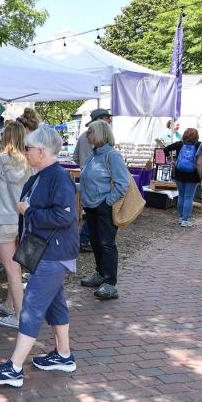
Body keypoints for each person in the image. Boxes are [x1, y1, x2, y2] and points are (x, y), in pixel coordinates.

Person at [0, 127, 79, 387]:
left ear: (41, 151)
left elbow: (64, 216)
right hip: (48, 251)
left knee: (31, 308)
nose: (24, 151)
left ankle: (14, 368)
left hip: (53, 253)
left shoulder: (57, 177)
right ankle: (64, 355)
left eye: (28, 147)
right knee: (55, 304)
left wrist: (30, 211)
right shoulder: (42, 175)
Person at [0, 121, 30, 328]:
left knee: (10, 268)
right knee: (15, 266)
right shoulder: (30, 163)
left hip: (2, 220)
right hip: (23, 220)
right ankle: (10, 305)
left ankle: (19, 316)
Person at [79, 120, 131, 300]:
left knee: (107, 244)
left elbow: (123, 183)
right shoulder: (94, 155)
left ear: (100, 133)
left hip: (102, 206)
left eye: (90, 132)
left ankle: (110, 283)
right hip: (92, 207)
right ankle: (100, 274)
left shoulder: (112, 156)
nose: (87, 135)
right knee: (95, 242)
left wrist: (107, 202)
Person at [74, 109, 111, 253]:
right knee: (93, 212)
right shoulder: (98, 140)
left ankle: (87, 239)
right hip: (97, 185)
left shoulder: (84, 136)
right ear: (100, 119)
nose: (109, 120)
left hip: (88, 178)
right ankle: (85, 240)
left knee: (90, 212)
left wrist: (84, 167)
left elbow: (75, 156)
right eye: (107, 118)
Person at [163, 127, 201, 227]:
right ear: (196, 137)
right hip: (193, 174)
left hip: (179, 172)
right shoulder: (199, 145)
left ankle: (180, 218)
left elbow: (165, 150)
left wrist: (171, 160)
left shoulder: (179, 144)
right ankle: (185, 220)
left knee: (181, 195)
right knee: (189, 197)